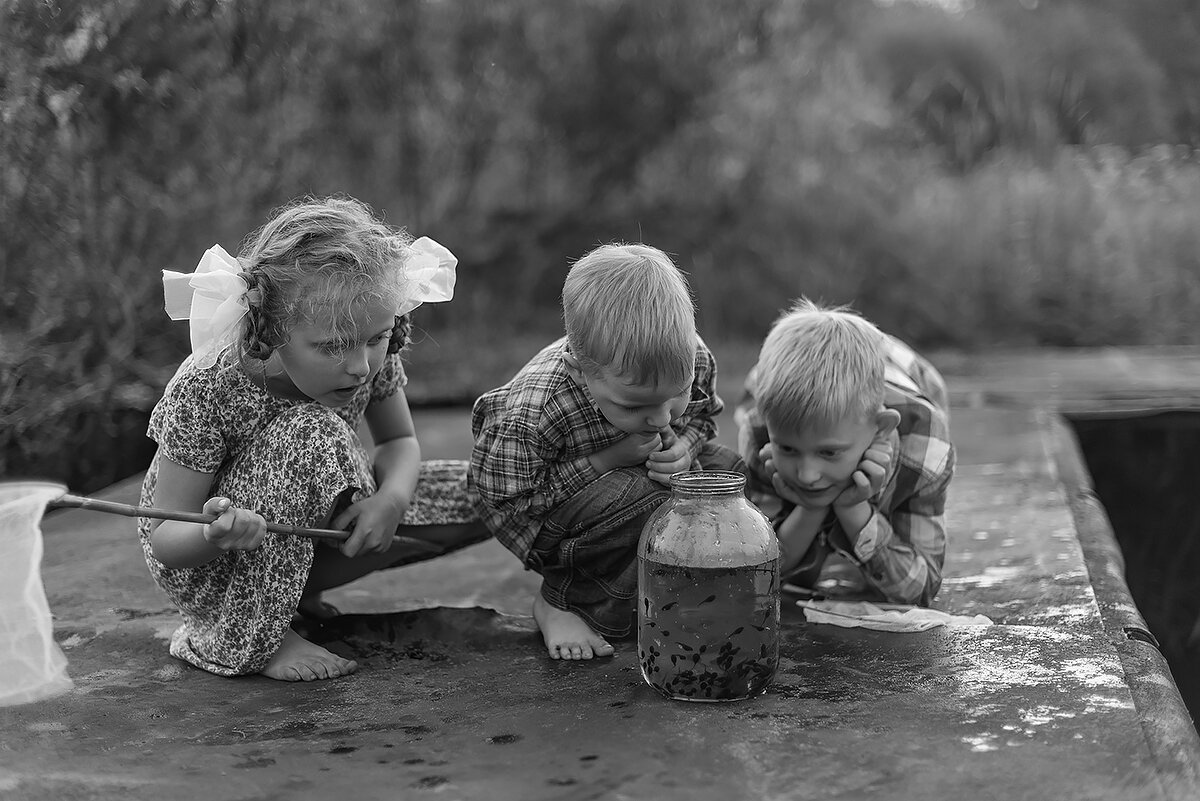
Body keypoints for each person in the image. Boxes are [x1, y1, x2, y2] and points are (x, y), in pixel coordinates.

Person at [140, 195, 487, 682]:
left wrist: (390, 500)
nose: (360, 365)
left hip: (321, 534)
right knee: (311, 430)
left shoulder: (364, 345)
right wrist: (214, 533)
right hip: (217, 570)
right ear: (272, 328)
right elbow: (164, 540)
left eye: (377, 337)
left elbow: (398, 443)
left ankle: (294, 595)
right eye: (331, 348)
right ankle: (259, 635)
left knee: (493, 485)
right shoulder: (208, 387)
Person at [469, 244, 744, 661]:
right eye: (634, 406)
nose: (660, 418)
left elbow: (703, 421)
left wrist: (685, 448)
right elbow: (508, 502)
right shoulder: (533, 410)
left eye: (676, 396)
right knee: (649, 500)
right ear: (581, 370)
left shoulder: (688, 356)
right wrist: (606, 461)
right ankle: (563, 600)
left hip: (618, 491)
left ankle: (672, 583)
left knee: (725, 474)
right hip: (540, 519)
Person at [734, 297, 953, 606]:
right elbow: (754, 577)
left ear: (881, 428)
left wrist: (854, 509)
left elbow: (921, 586)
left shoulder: (926, 444)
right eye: (787, 449)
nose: (807, 475)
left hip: (910, 373)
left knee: (892, 513)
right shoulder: (759, 432)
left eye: (829, 453)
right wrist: (811, 509)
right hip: (772, 384)